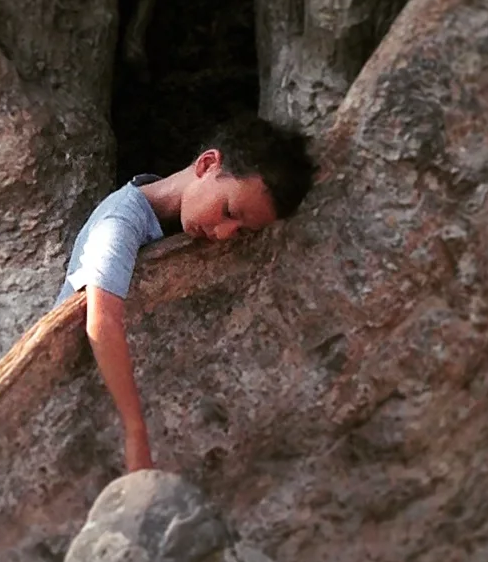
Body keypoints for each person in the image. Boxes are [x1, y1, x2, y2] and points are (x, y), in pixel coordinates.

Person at [61, 113, 315, 473]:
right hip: (75, 412)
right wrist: (136, 435)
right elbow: (102, 322)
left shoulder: (169, 226)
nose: (226, 234)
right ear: (207, 164)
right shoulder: (118, 224)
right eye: (229, 211)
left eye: (242, 232)